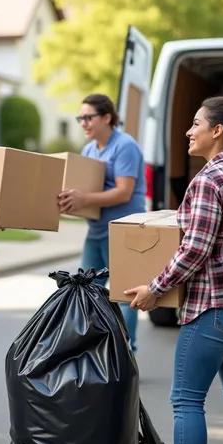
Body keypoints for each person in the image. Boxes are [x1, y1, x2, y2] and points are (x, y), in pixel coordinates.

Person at [125, 96, 223, 444]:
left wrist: (153, 289)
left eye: (195, 124)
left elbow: (195, 250)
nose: (189, 132)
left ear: (217, 131)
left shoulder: (209, 180)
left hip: (216, 308)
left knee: (187, 400)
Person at [58, 93, 146, 354]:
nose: (83, 123)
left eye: (88, 117)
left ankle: (126, 352)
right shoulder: (89, 149)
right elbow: (86, 189)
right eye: (80, 118)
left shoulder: (124, 146)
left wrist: (83, 197)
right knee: (86, 290)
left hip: (123, 231)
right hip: (97, 230)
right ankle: (96, 350)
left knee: (123, 292)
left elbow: (123, 192)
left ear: (107, 117)